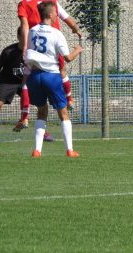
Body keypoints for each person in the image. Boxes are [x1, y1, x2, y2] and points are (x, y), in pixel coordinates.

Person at [24, 1, 83, 157]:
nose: (57, 15)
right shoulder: (56, 33)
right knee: (63, 113)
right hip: (51, 75)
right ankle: (69, 150)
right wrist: (77, 50)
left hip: (35, 76)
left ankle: (37, 150)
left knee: (41, 112)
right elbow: (68, 58)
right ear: (50, 15)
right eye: (55, 13)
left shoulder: (32, 31)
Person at [0, 27, 55, 142]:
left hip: (26, 82)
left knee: (42, 105)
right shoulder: (8, 52)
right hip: (8, 82)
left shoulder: (34, 52)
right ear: (18, 37)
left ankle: (42, 131)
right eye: (24, 36)